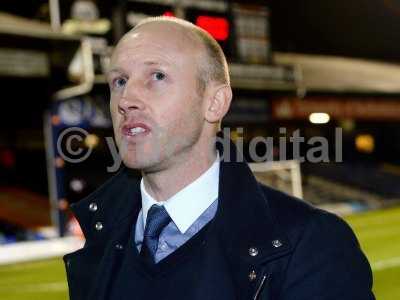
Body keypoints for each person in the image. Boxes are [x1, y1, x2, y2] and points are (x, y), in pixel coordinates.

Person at [63, 16, 375, 300]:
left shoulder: (311, 246)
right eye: (119, 81)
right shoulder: (100, 240)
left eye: (157, 76)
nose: (127, 99)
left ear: (214, 103)